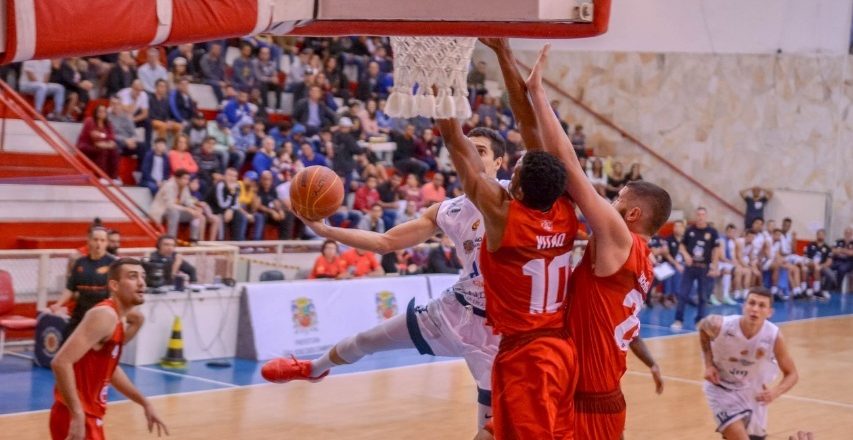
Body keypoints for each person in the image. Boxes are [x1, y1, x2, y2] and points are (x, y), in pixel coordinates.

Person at [261, 125, 510, 430]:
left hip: (497, 329)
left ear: (499, 162)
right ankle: (313, 368)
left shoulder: (517, 196)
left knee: (489, 428)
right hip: (453, 310)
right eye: (466, 150)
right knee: (366, 339)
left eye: (480, 152)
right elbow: (385, 242)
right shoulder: (448, 210)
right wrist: (327, 231)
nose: (470, 157)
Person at [525, 42, 672, 440]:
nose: (611, 201)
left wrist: (537, 92)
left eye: (619, 198)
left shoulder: (619, 237)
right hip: (601, 393)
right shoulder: (643, 261)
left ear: (634, 215)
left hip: (586, 396)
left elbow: (568, 165)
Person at [439, 40, 580, 439]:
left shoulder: (503, 217)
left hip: (527, 355)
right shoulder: (563, 209)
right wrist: (504, 54)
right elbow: (531, 127)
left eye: (513, 170)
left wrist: (442, 85)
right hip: (558, 347)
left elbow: (456, 146)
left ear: (515, 188)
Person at [50, 258, 168, 440]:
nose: (142, 282)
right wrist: (77, 414)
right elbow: (61, 362)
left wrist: (144, 403)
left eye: (143, 276)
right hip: (78, 414)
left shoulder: (118, 318)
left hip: (89, 414)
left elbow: (110, 371)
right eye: (133, 276)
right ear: (114, 285)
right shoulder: (104, 315)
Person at [697, 287, 798, 440]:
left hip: (752, 391)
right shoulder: (721, 325)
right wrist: (709, 364)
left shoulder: (773, 336)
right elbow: (703, 328)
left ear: (769, 312)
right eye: (751, 303)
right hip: (720, 389)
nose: (755, 309)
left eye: (762, 305)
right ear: (744, 306)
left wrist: (775, 392)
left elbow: (792, 374)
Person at [50, 228, 117, 338]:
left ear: (107, 243)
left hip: (101, 311)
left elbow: (117, 291)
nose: (98, 243)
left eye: (102, 240)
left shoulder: (113, 263)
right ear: (89, 241)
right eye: (95, 240)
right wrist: (58, 304)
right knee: (67, 341)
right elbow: (70, 288)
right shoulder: (80, 262)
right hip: (81, 310)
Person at [672, 207, 720, 331]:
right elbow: (682, 245)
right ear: (696, 216)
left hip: (704, 268)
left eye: (703, 214)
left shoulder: (712, 232)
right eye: (698, 214)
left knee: (703, 296)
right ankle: (678, 320)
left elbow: (716, 250)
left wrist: (714, 266)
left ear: (706, 216)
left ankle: (700, 321)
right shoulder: (690, 230)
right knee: (683, 294)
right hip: (690, 267)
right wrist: (686, 255)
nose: (700, 217)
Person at [148, 169, 207, 243]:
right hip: (162, 211)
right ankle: (172, 239)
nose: (187, 181)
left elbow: (187, 200)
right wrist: (187, 209)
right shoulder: (168, 186)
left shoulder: (184, 187)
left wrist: (195, 208)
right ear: (177, 178)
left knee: (196, 214)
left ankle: (193, 239)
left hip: (177, 211)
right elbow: (170, 205)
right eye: (184, 178)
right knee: (174, 212)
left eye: (188, 179)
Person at [712, 224, 739, 306]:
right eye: (730, 232)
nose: (732, 234)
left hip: (723, 262)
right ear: (726, 231)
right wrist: (731, 262)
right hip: (715, 262)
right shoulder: (721, 240)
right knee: (715, 271)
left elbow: (733, 256)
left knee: (731, 271)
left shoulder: (732, 242)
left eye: (733, 232)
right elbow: (722, 257)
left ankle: (726, 296)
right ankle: (711, 296)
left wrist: (735, 262)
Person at [803, 229, 833, 299]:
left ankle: (824, 290)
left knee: (831, 275)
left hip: (822, 266)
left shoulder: (827, 247)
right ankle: (808, 289)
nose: (820, 236)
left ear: (824, 236)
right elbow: (805, 257)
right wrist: (812, 264)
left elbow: (829, 261)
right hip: (810, 265)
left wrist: (821, 266)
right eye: (819, 234)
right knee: (804, 269)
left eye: (822, 234)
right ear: (816, 235)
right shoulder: (810, 245)